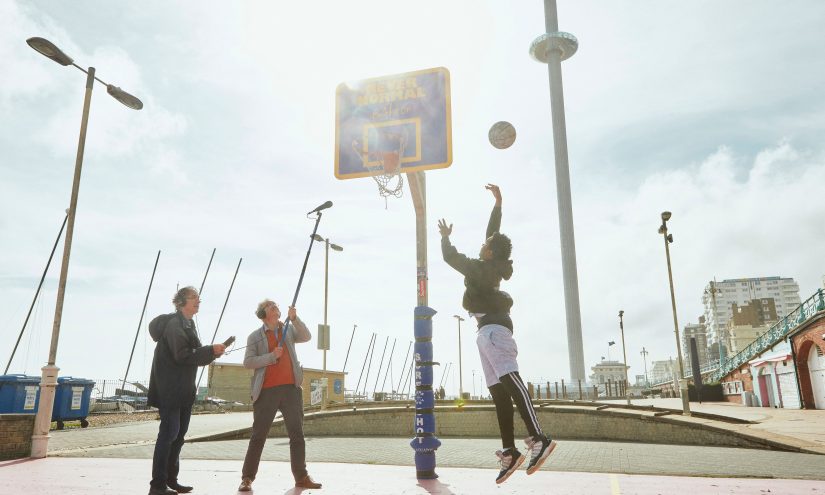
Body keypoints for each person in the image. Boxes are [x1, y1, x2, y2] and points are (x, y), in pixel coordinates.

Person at [438, 184, 556, 484]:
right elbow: (493, 234)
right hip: (485, 332)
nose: (482, 244)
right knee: (499, 392)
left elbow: (452, 259)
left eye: (486, 244)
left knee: (511, 381)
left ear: (489, 251)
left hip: (494, 331)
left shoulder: (480, 268)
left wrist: (445, 239)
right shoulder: (489, 264)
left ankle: (539, 437)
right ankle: (509, 451)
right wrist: (498, 205)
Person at [147, 287, 225, 495]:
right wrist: (210, 350)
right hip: (170, 390)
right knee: (169, 434)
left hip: (183, 391)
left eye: (198, 297)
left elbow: (195, 355)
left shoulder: (188, 324)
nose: (198, 300)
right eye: (194, 298)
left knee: (178, 436)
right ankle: (157, 485)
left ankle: (171, 480)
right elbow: (182, 355)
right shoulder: (174, 324)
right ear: (181, 302)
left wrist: (212, 352)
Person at [238, 300, 322, 491]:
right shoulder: (255, 337)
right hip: (266, 391)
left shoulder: (289, 330)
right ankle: (247, 478)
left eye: (275, 304)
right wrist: (270, 357)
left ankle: (301, 477)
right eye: (270, 305)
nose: (275, 305)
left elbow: (307, 336)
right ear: (263, 314)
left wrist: (295, 319)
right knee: (258, 436)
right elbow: (248, 362)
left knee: (297, 435)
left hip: (291, 390)